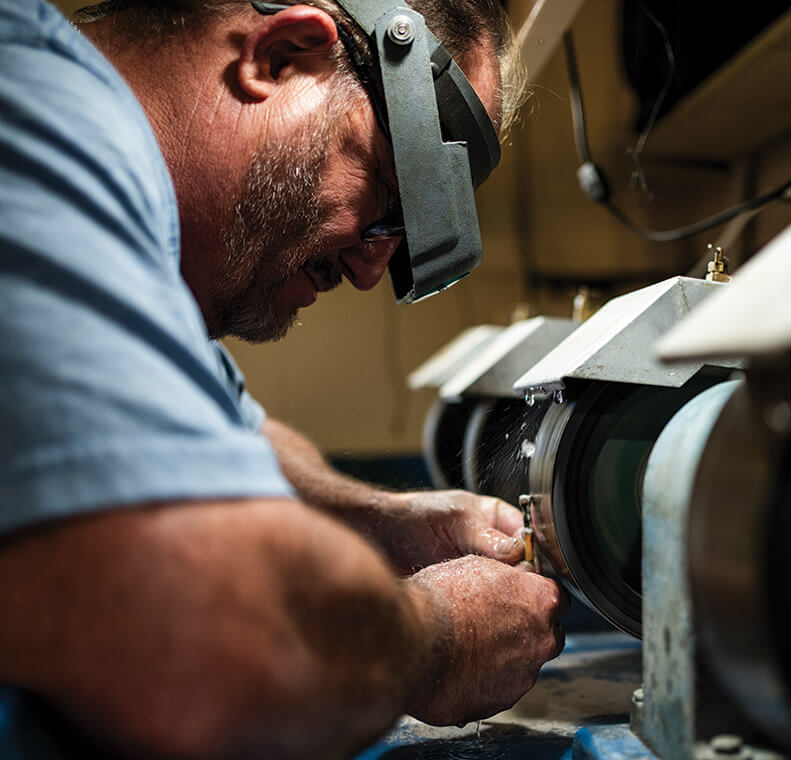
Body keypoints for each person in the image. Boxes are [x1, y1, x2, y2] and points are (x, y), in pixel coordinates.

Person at [0, 0, 567, 757]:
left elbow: (240, 430)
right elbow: (220, 647)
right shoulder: (36, 122)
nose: (371, 269)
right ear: (283, 55)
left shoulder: (125, 239)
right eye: (389, 194)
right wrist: (436, 638)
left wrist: (389, 522)